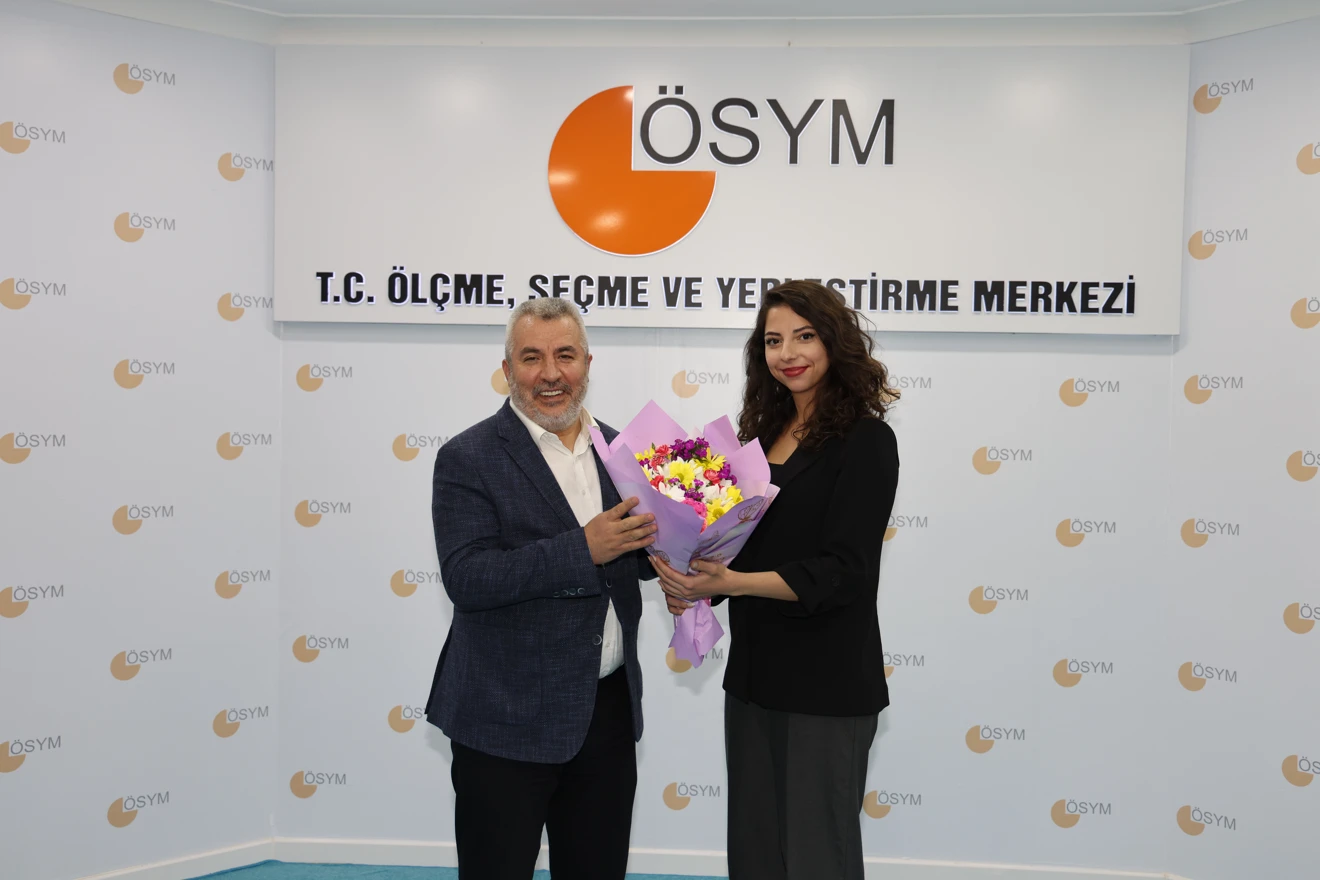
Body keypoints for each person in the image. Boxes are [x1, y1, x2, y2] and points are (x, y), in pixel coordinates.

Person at [654, 280, 900, 880]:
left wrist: (732, 583)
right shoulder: (758, 440)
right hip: (754, 678)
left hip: (827, 685)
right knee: (756, 855)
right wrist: (695, 579)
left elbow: (844, 571)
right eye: (772, 340)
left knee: (818, 859)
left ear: (834, 341)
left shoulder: (867, 439)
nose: (787, 353)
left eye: (804, 336)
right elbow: (736, 549)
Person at [425, 296, 658, 880]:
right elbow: (468, 577)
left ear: (587, 364)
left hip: (604, 712)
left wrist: (680, 562)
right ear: (507, 369)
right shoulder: (468, 456)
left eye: (565, 356)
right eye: (532, 358)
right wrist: (583, 548)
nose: (551, 374)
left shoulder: (623, 451)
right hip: (504, 717)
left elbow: (635, 553)